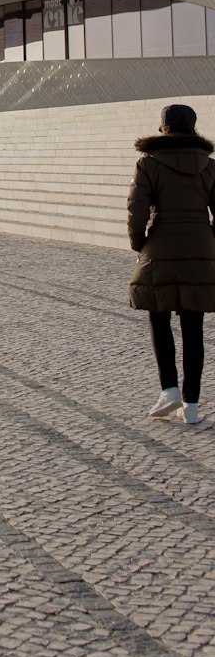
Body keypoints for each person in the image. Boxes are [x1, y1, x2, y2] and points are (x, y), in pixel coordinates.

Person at [128, 103, 215, 425]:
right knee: (193, 326)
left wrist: (141, 243)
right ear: (192, 127)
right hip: (201, 246)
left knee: (159, 317)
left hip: (161, 244)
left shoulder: (148, 163)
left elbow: (137, 210)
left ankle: (169, 390)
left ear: (163, 126)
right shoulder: (209, 166)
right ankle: (192, 403)